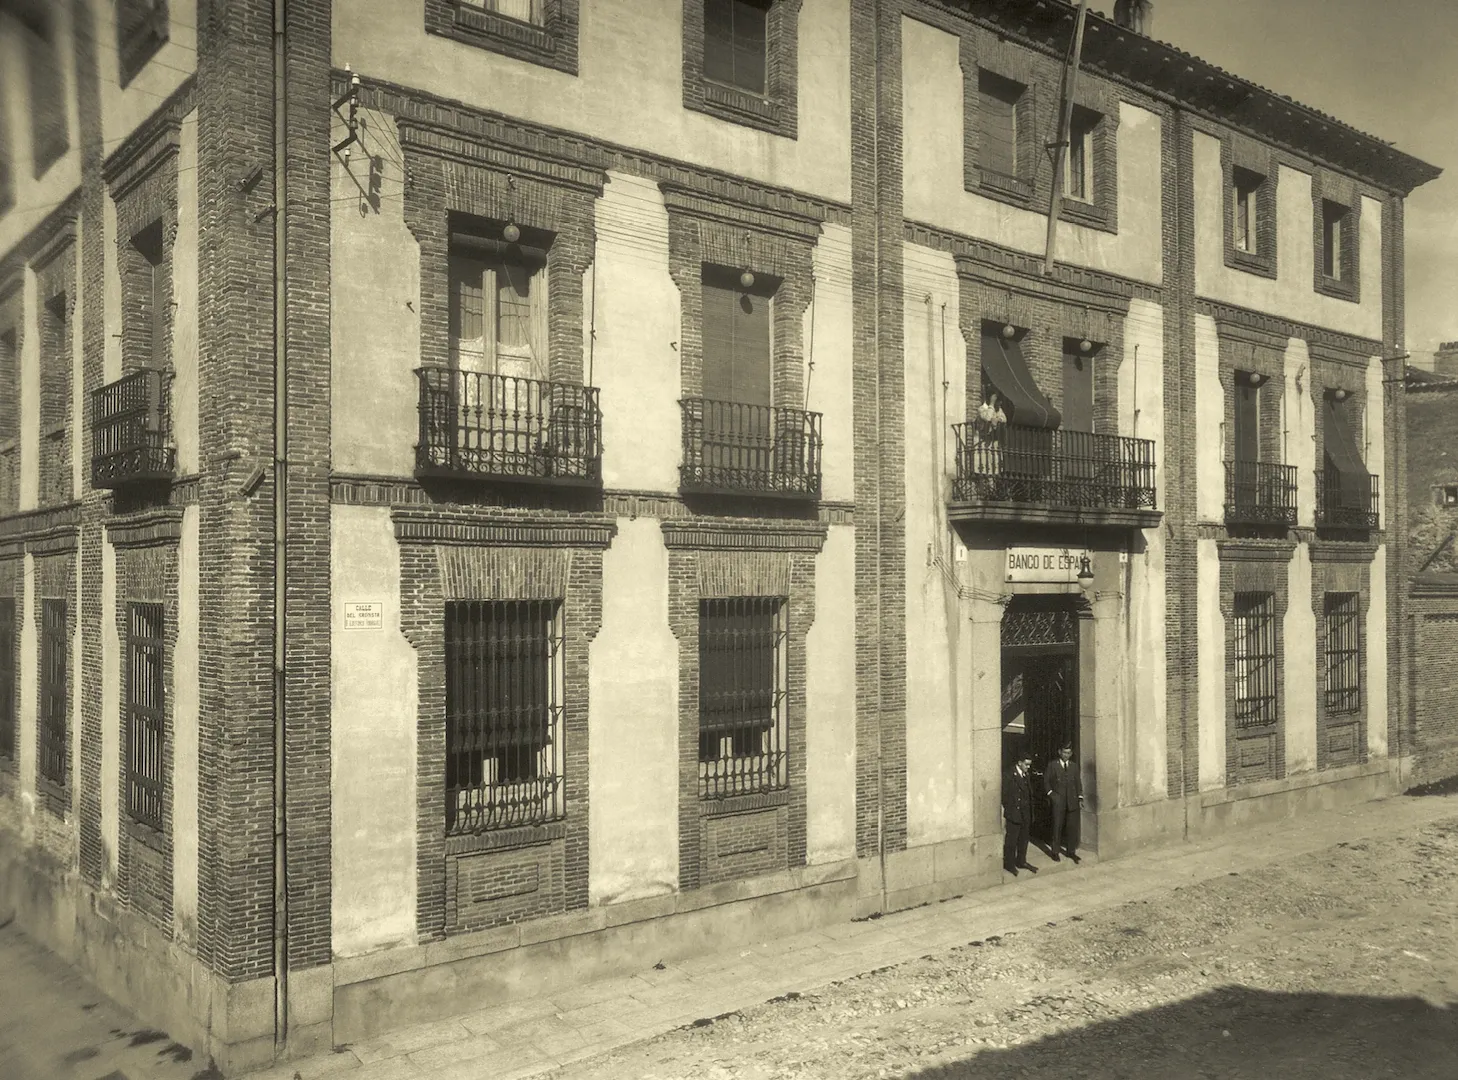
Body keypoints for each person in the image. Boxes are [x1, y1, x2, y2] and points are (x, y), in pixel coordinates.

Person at [1045, 742, 1083, 863]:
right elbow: (1046, 781)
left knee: (1072, 827)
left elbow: (1078, 782)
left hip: (1072, 802)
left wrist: (1080, 797)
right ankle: (1055, 851)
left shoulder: (1074, 766)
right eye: (1064, 752)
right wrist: (1051, 794)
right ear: (1059, 752)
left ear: (1071, 754)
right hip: (1058, 802)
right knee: (1057, 826)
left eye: (1068, 753)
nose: (1066, 755)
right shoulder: (1053, 765)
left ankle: (1071, 852)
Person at [1002, 750, 1035, 875]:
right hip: (1014, 813)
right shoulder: (1009, 774)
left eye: (1029, 765)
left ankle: (1021, 861)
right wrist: (1011, 808)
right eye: (1026, 764)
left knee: (1024, 839)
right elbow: (1004, 795)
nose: (1028, 767)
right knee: (1012, 840)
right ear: (1019, 763)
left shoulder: (1026, 774)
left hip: (1025, 812)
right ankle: (1009, 864)